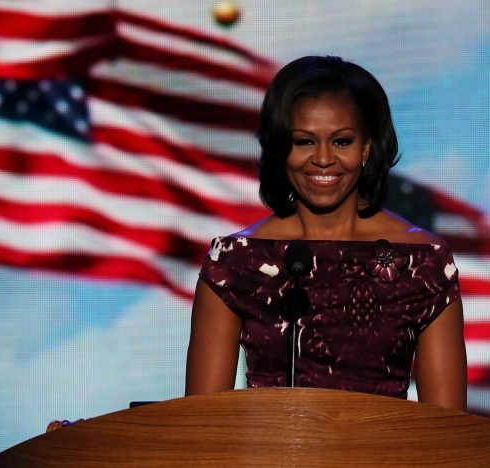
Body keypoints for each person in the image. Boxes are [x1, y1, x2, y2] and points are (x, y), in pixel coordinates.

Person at [185, 55, 466, 410]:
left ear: (366, 148)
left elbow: (449, 428)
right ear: (281, 149)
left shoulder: (423, 264)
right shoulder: (235, 262)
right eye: (304, 142)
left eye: (341, 142)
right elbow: (200, 423)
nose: (322, 159)